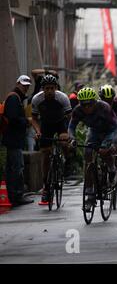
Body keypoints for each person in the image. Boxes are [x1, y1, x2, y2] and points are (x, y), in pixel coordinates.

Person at [68, 87, 117, 209]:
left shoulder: (104, 107)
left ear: (94, 101)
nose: (87, 107)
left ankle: (112, 168)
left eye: (89, 104)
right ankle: (90, 194)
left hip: (109, 131)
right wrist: (72, 139)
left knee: (104, 152)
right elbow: (71, 127)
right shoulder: (78, 111)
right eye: (83, 105)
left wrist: (111, 143)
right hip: (94, 132)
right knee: (88, 158)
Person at [31, 75, 72, 205]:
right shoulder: (37, 99)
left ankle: (67, 162)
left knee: (64, 142)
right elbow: (34, 118)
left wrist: (67, 132)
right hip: (46, 124)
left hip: (61, 122)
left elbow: (71, 117)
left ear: (56, 88)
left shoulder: (62, 98)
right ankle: (46, 187)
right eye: (47, 88)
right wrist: (38, 132)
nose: (49, 91)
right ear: (42, 89)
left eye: (52, 88)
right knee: (45, 154)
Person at [1, 75, 34, 206]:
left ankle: (14, 195)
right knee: (17, 167)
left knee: (12, 168)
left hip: (12, 138)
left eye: (27, 85)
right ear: (17, 84)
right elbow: (13, 118)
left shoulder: (16, 97)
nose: (25, 87)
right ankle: (17, 196)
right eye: (23, 85)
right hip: (13, 139)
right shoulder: (14, 98)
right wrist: (27, 121)